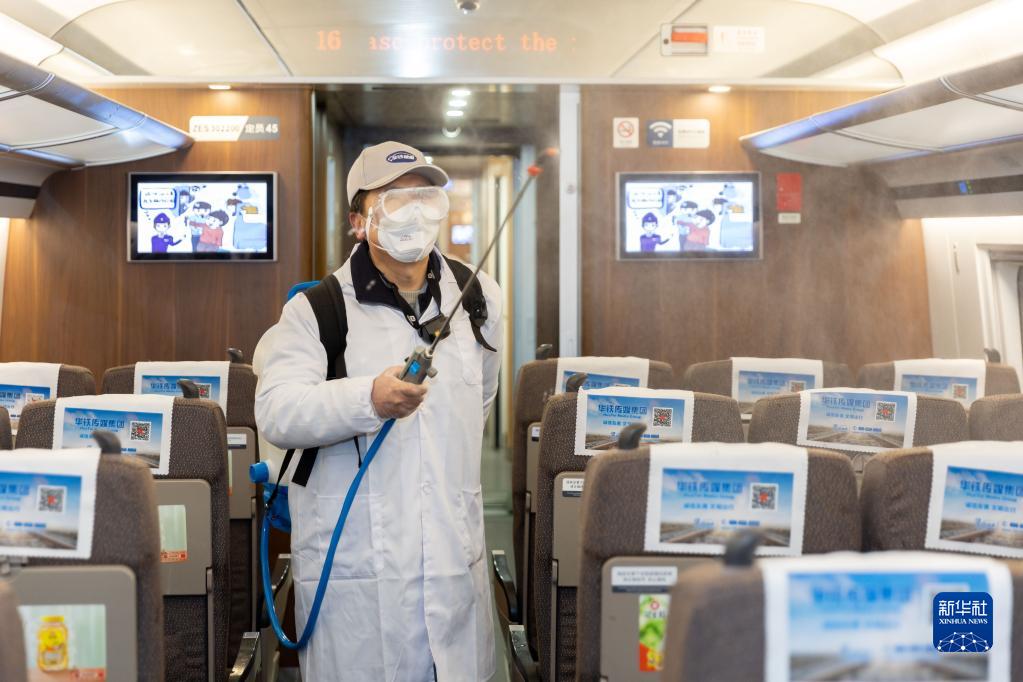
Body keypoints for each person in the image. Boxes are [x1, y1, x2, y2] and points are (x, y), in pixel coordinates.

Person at [254, 141, 501, 681]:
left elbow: (478, 401)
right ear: (358, 222)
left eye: (424, 197)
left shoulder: (477, 297)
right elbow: (276, 411)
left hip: (452, 558)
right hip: (358, 571)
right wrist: (367, 399)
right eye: (394, 199)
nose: (414, 212)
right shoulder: (316, 310)